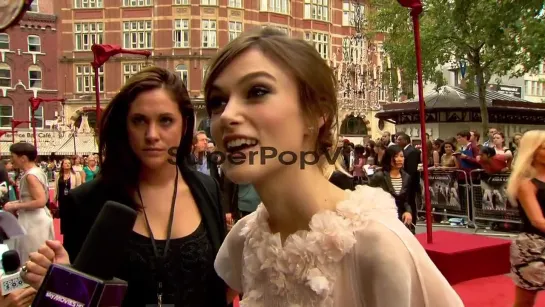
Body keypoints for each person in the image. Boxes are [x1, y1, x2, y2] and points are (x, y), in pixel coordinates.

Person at [207, 28, 461, 305]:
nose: (227, 115)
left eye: (257, 91)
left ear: (317, 114)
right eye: (217, 101)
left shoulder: (378, 246)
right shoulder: (243, 242)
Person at [25, 67, 228, 306]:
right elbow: (77, 299)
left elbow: (219, 288)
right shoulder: (87, 202)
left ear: (184, 126)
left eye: (165, 120)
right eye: (139, 120)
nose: (152, 135)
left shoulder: (206, 188)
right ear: (125, 125)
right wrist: (64, 282)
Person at [506, 130, 545, 307]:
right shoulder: (526, 183)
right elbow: (538, 220)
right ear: (533, 152)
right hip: (533, 247)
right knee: (525, 302)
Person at [3, 142, 54, 263]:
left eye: (13, 157)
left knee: (32, 257)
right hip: (34, 219)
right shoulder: (36, 171)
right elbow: (31, 198)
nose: (11, 160)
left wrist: (16, 205)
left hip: (34, 222)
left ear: (23, 158)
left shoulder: (31, 176)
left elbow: (40, 201)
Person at [369, 145, 414, 233]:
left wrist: (408, 212)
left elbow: (407, 200)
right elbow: (369, 197)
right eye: (396, 156)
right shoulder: (379, 176)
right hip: (382, 218)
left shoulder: (406, 177)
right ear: (388, 158)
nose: (399, 159)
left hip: (400, 217)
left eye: (402, 156)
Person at [55, 158, 82, 232]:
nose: (67, 164)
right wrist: (55, 200)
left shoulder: (76, 174)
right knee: (63, 218)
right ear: (62, 165)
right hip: (62, 200)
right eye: (65, 163)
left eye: (69, 163)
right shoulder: (58, 175)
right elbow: (56, 188)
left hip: (71, 199)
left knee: (72, 217)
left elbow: (79, 187)